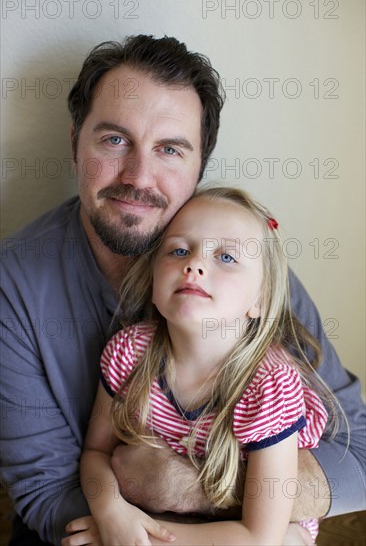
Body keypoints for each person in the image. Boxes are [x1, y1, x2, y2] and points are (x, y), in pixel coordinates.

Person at [0, 35, 364, 545]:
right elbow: (46, 494)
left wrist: (187, 487)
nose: (138, 175)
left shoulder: (247, 269)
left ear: (199, 168)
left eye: (170, 149)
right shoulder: (13, 284)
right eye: (114, 140)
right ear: (74, 143)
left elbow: (358, 455)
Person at [64, 186, 343, 546]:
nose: (193, 264)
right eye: (179, 250)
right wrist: (112, 513)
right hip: (158, 518)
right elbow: (96, 453)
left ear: (259, 299)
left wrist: (142, 538)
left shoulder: (269, 384)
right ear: (153, 282)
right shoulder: (129, 353)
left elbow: (260, 536)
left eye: (226, 257)